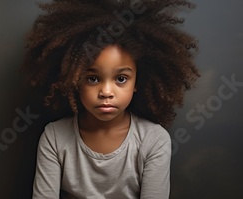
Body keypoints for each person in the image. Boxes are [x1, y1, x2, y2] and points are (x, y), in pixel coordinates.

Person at [21, 0, 200, 198]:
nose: (106, 91)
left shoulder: (153, 141)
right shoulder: (54, 138)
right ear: (74, 79)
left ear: (137, 82)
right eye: (92, 78)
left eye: (121, 79)